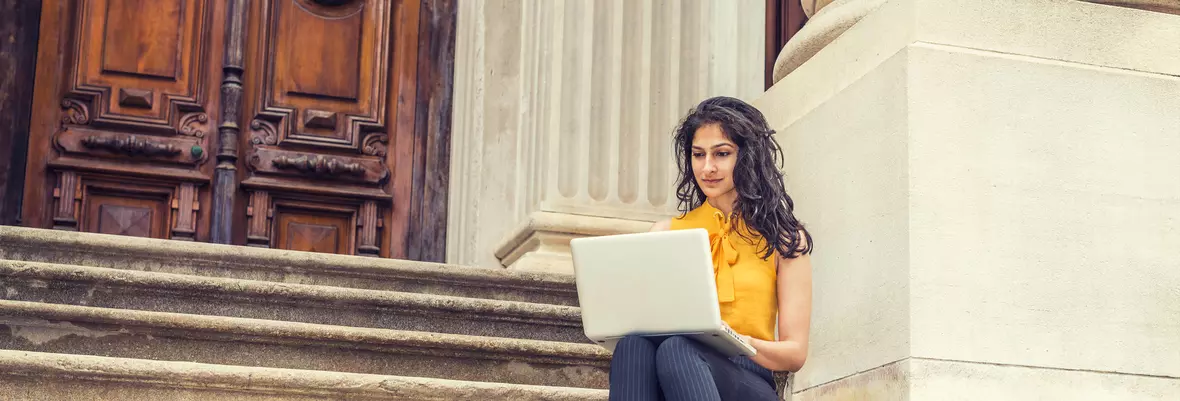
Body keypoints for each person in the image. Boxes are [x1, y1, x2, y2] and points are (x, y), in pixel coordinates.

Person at [608, 96, 814, 401]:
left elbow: (795, 353)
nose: (707, 168)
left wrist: (735, 341)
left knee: (680, 350)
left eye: (722, 154)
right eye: (698, 154)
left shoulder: (783, 239)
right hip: (673, 368)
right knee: (634, 346)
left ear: (748, 156)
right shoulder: (666, 233)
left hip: (748, 379)